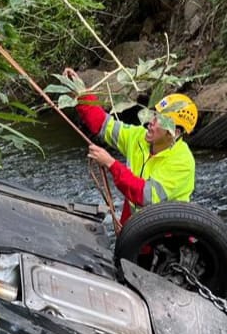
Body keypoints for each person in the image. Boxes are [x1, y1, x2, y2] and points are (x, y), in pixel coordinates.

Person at [63, 68, 197, 226]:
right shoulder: (139, 137)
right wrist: (81, 93)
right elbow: (103, 124)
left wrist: (111, 164)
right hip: (135, 224)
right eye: (154, 114)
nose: (151, 122)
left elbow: (145, 196)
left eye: (160, 120)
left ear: (174, 132)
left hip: (164, 233)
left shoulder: (182, 162)